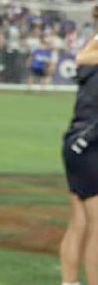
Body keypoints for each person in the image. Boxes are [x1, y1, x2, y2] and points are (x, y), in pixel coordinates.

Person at [61, 33, 98, 285]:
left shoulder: (89, 57)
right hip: (91, 141)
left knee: (80, 223)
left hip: (77, 141)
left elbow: (82, 56)